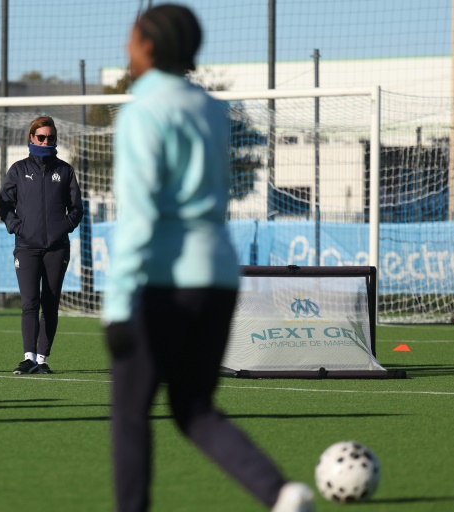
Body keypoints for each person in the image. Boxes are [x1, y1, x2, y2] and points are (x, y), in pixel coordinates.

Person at [102, 5, 315, 512]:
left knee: (131, 411)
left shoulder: (143, 110)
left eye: (131, 37)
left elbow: (140, 213)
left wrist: (115, 302)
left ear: (149, 45)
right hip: (219, 275)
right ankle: (281, 493)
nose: (126, 47)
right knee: (193, 407)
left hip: (164, 280)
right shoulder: (210, 108)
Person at [0, 116, 83, 374]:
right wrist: (17, 227)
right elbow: (4, 204)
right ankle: (29, 358)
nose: (46, 142)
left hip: (57, 249)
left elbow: (77, 208)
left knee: (51, 303)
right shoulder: (18, 169)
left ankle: (43, 359)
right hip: (26, 247)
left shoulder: (65, 171)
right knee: (29, 303)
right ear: (31, 138)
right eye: (41, 137)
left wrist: (63, 228)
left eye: (50, 138)